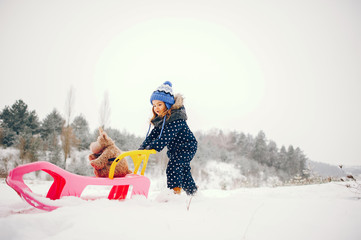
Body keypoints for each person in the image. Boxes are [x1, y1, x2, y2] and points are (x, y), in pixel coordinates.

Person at [139, 81, 198, 195]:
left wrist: (153, 147)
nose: (156, 108)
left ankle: (174, 193)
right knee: (184, 170)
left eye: (159, 104)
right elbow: (153, 135)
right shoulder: (162, 120)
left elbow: (165, 137)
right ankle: (193, 193)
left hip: (187, 146)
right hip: (175, 149)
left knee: (173, 166)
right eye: (154, 105)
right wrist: (142, 147)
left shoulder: (176, 119)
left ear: (168, 104)